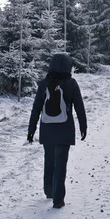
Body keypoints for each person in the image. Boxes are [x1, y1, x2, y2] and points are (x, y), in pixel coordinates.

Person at [28, 53, 87, 209]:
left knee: (49, 161)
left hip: (47, 129)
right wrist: (83, 127)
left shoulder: (43, 84)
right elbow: (80, 108)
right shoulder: (71, 84)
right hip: (64, 130)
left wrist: (31, 129)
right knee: (60, 165)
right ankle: (58, 200)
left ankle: (49, 191)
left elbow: (36, 109)